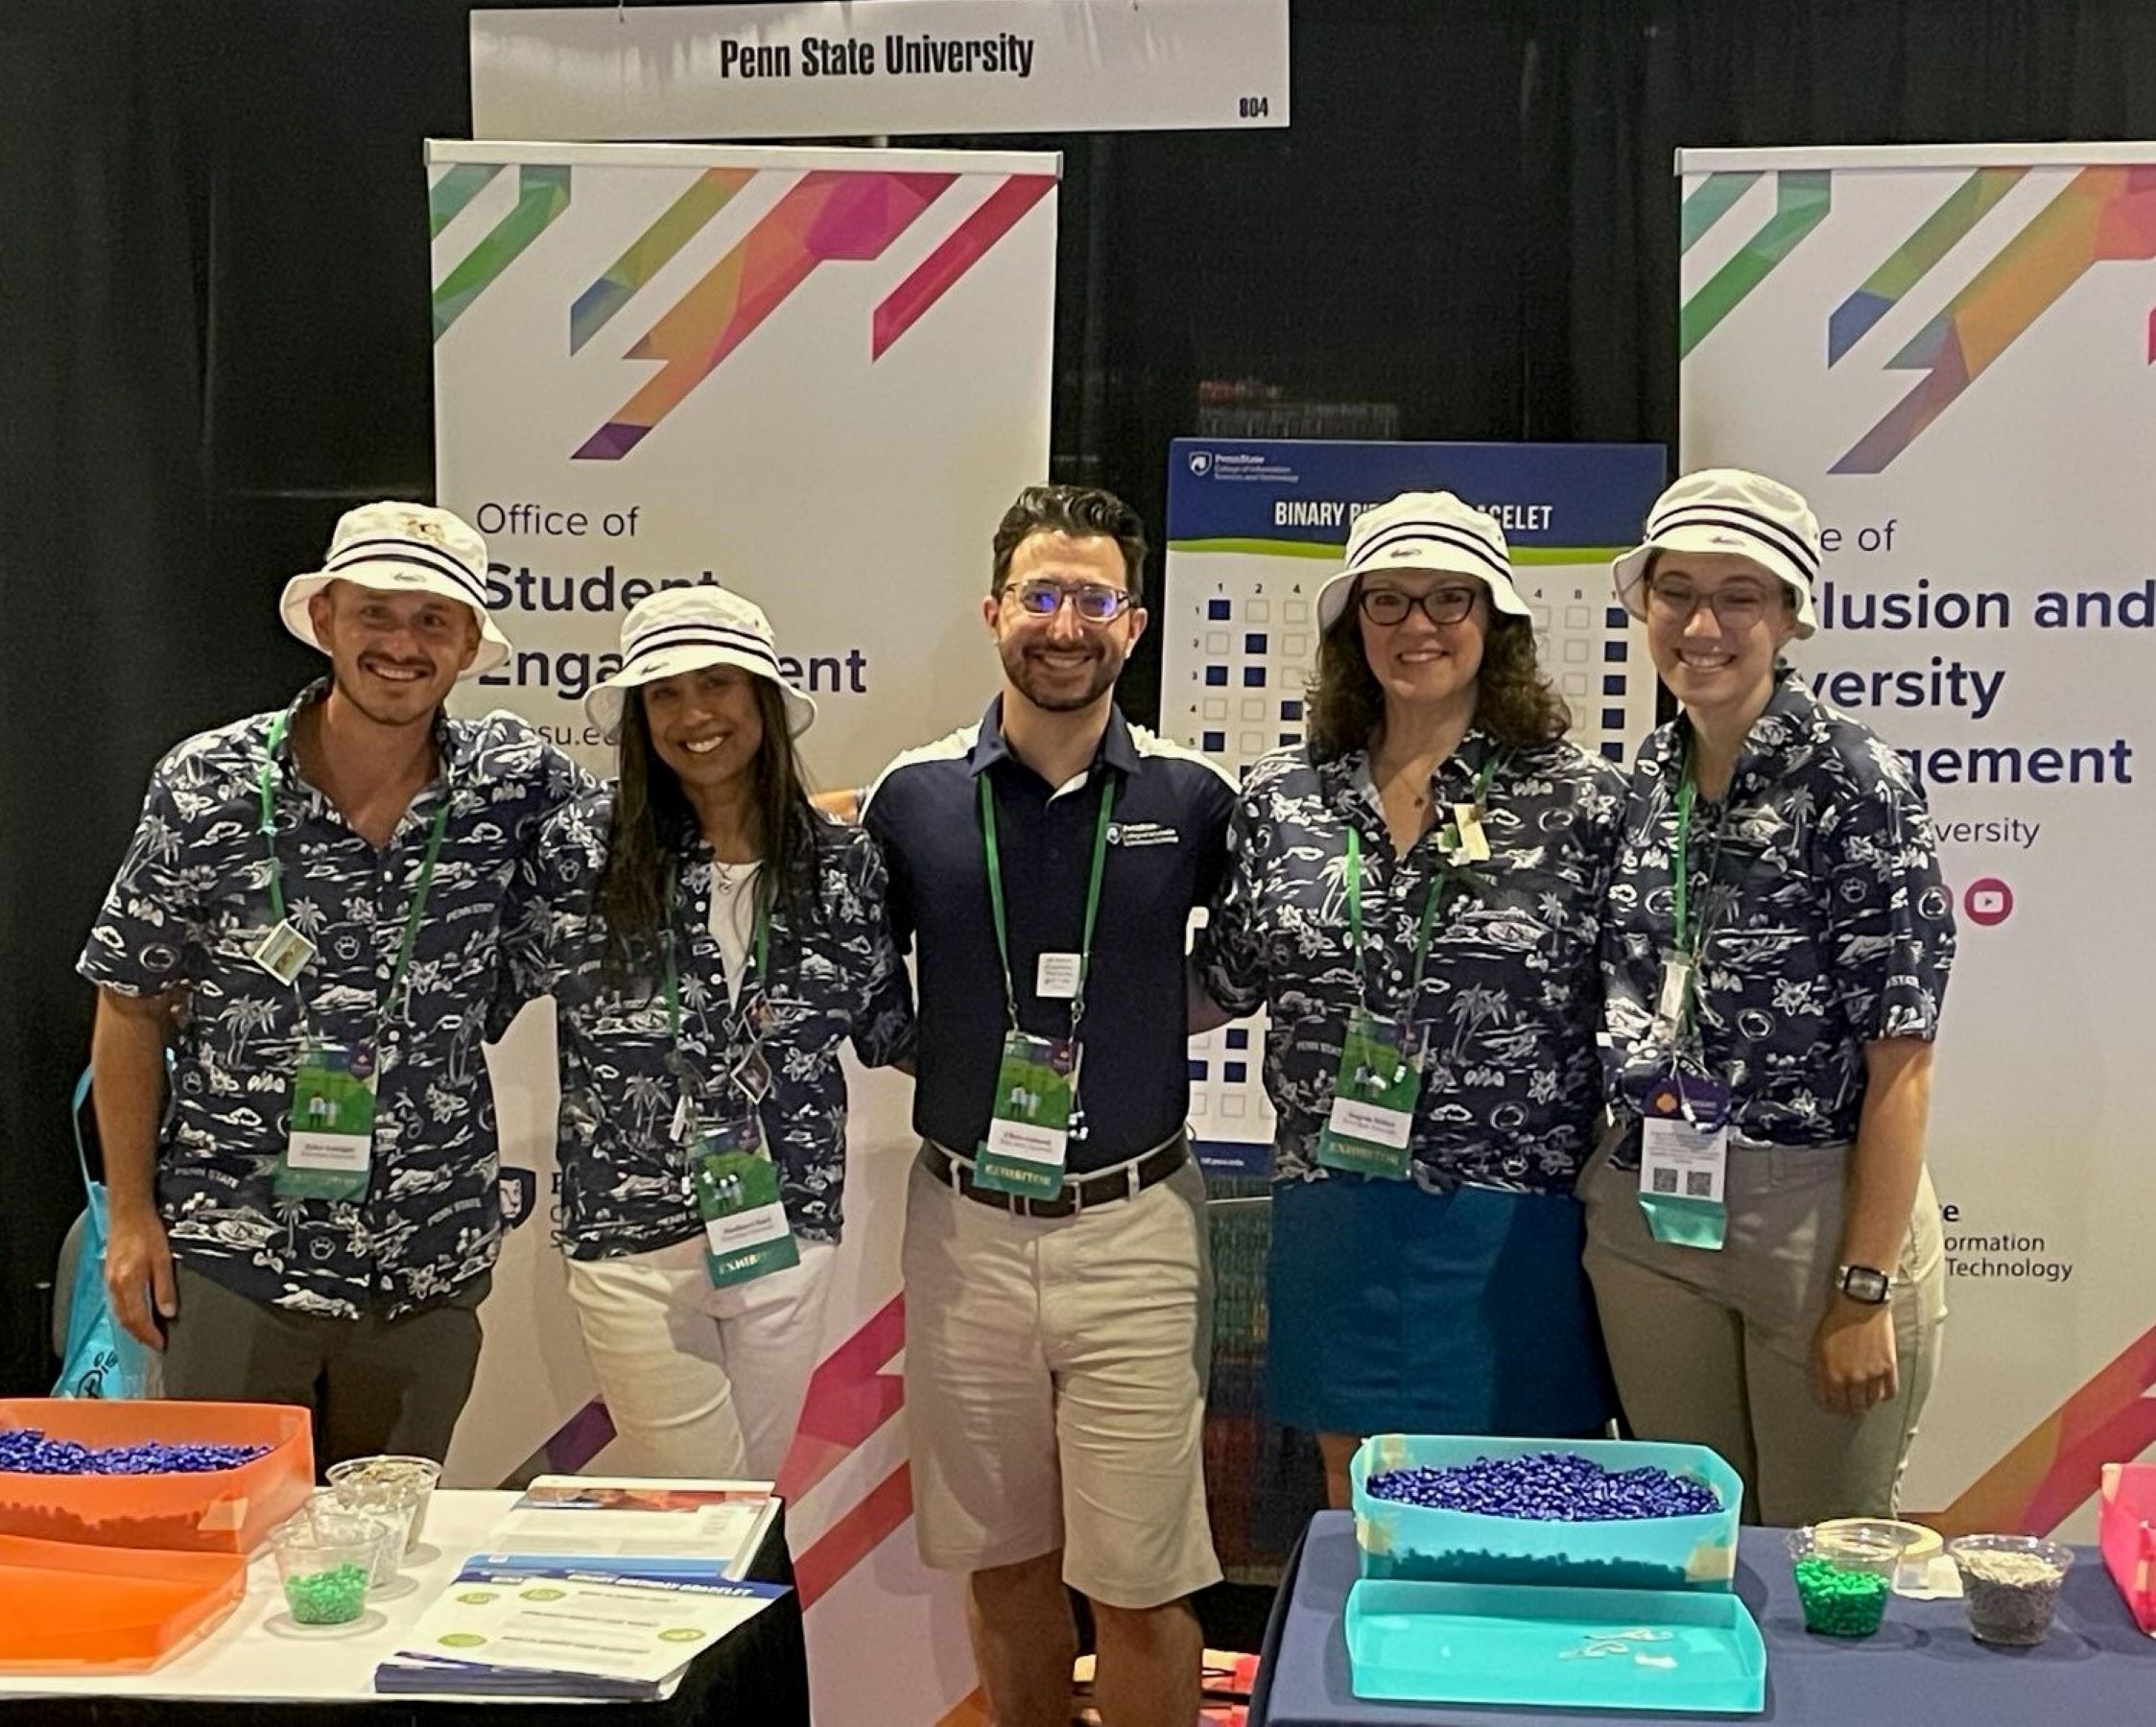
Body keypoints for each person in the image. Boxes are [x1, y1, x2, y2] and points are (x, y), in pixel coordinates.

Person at [79, 503, 586, 1464]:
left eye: (433, 620)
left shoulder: (516, 785)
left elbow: (665, 836)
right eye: (376, 615)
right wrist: (134, 1216)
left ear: (471, 642)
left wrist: (853, 812)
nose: (402, 645)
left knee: (382, 1563)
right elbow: (128, 1001)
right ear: (325, 620)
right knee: (229, 1556)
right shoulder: (208, 782)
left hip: (425, 1263)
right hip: (234, 1256)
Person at [862, 485, 1235, 1727]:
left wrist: (1125, 1029)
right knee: (1004, 1559)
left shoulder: (1192, 799)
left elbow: (1247, 958)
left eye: (1091, 598)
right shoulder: (907, 799)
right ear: (992, 613)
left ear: (1131, 623)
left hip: (1135, 1226)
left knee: (1139, 1583)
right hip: (964, 1227)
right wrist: (970, 1056)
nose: (1063, 624)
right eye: (1039, 595)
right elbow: (865, 984)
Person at [1192, 491, 1623, 1509]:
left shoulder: (1583, 802)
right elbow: (1227, 979)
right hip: (1333, 1206)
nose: (1417, 626)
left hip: (1512, 1219)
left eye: (1447, 600)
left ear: (1495, 622)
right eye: (1386, 602)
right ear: (1351, 626)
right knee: (1362, 1506)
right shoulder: (1282, 796)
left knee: (1515, 1515)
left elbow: (1640, 1002)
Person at [1584, 467, 1954, 1526]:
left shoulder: (1856, 784)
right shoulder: (1650, 776)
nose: (1703, 623)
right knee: (1690, 1551)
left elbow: (1904, 1057)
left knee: (1819, 1566)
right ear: (1644, 603)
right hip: (1656, 1213)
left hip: (1817, 1214)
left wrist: (1864, 1288)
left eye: (1740, 595)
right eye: (1678, 591)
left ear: (1790, 614)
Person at [504, 586, 914, 1479]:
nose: (694, 714)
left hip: (785, 1230)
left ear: (763, 698)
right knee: (696, 1509)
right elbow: (474, 984)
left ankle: (749, 1625)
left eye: (718, 684)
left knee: (745, 1502)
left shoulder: (841, 863)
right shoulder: (580, 850)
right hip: (628, 1240)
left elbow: (887, 1026)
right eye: (663, 693)